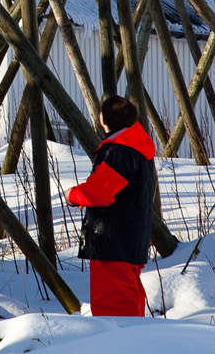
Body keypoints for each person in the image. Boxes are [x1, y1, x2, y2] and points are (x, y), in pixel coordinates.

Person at [66, 95, 157, 317]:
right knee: (130, 297)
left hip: (112, 240)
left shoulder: (120, 151)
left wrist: (73, 194)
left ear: (106, 120)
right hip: (130, 239)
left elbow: (99, 193)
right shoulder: (137, 145)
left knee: (112, 308)